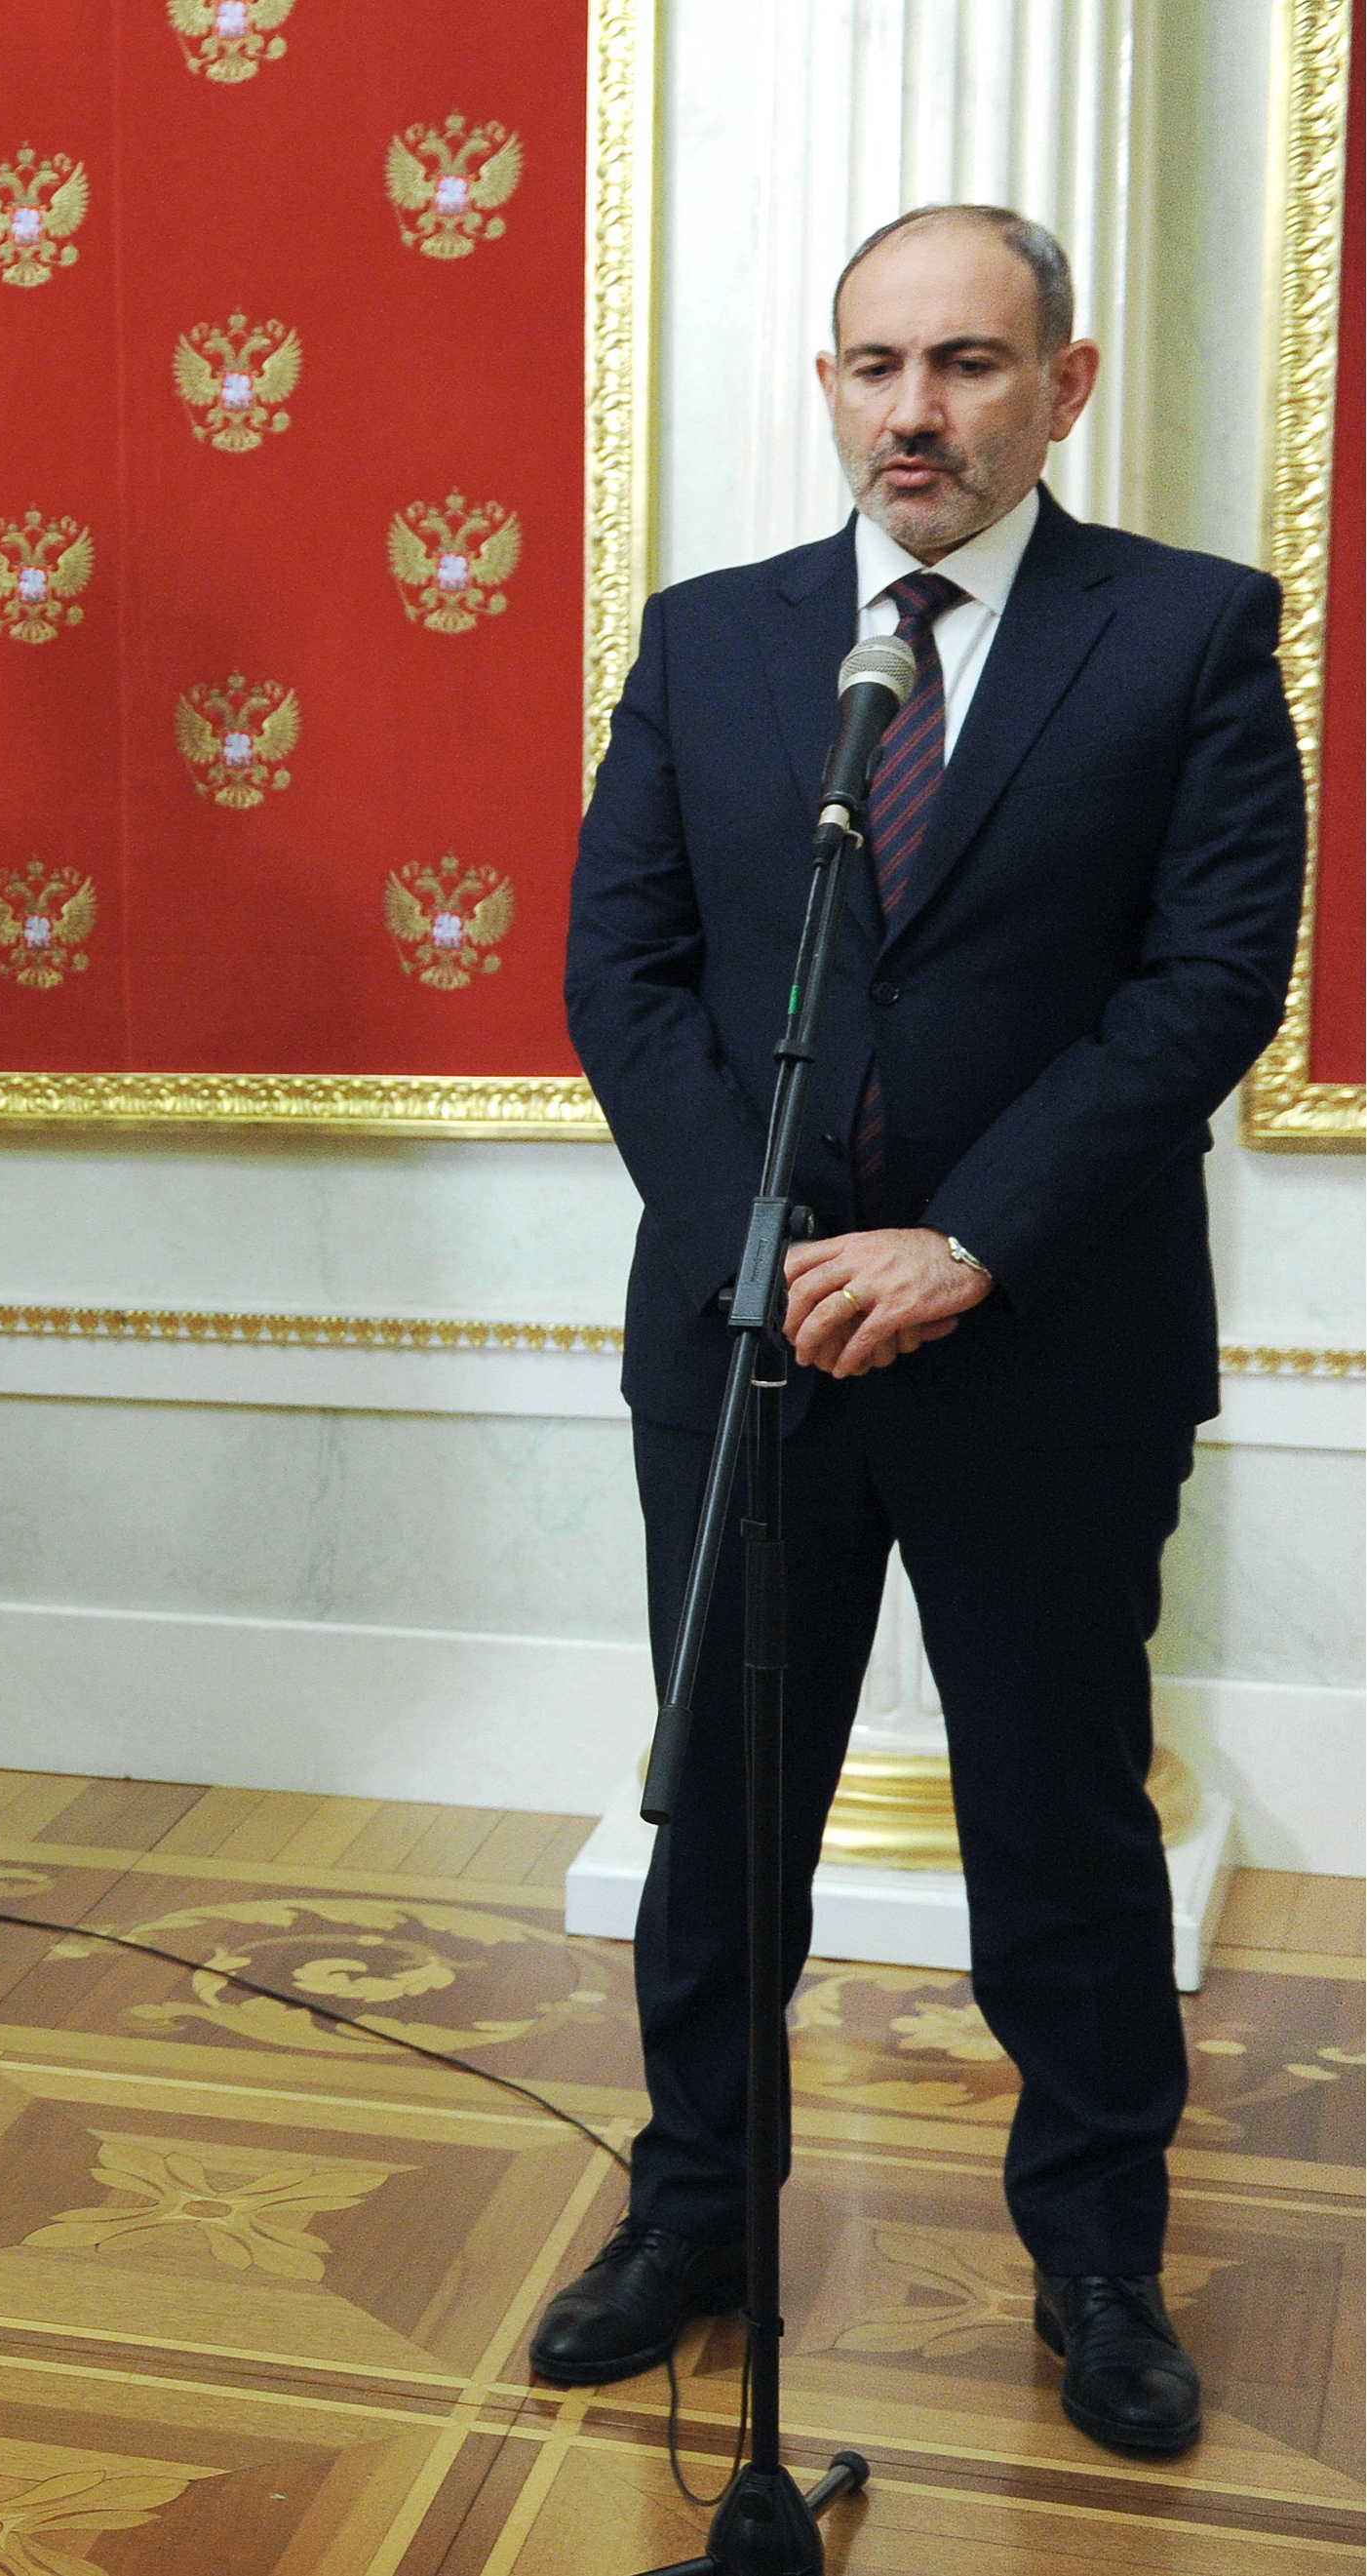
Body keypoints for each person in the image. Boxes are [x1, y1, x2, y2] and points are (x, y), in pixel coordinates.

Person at [556, 206, 1302, 2455]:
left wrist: (962, 1243)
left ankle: (1095, 2257)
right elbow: (623, 971)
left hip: (1041, 1342)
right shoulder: (709, 641)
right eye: (873, 366)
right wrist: (769, 1238)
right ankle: (693, 2210)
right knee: (721, 1821)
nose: (912, 412)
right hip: (749, 1334)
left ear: (1057, 387)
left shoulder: (1182, 632)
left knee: (1054, 1822)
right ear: (826, 385)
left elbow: (1201, 986)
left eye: (964, 364)